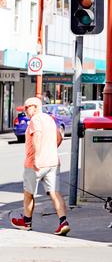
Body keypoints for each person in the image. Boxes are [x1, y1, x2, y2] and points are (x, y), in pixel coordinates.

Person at [11, 97, 70, 236]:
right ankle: (63, 222)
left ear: (35, 107)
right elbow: (59, 137)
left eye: (27, 107)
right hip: (53, 162)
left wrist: (37, 157)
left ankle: (26, 222)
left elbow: (36, 136)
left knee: (28, 193)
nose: (25, 111)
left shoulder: (35, 120)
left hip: (35, 163)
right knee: (55, 193)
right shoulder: (50, 119)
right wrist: (51, 150)